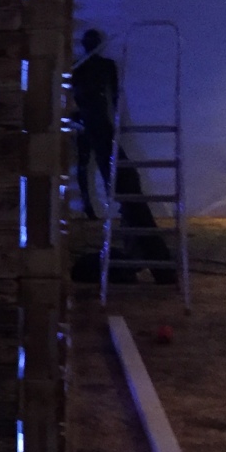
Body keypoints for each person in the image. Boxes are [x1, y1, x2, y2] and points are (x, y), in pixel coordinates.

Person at [71, 29, 175, 282]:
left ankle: (150, 259)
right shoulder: (79, 67)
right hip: (90, 125)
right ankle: (92, 210)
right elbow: (78, 97)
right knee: (115, 182)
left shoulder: (103, 66)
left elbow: (114, 96)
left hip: (100, 126)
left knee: (126, 188)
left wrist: (116, 123)